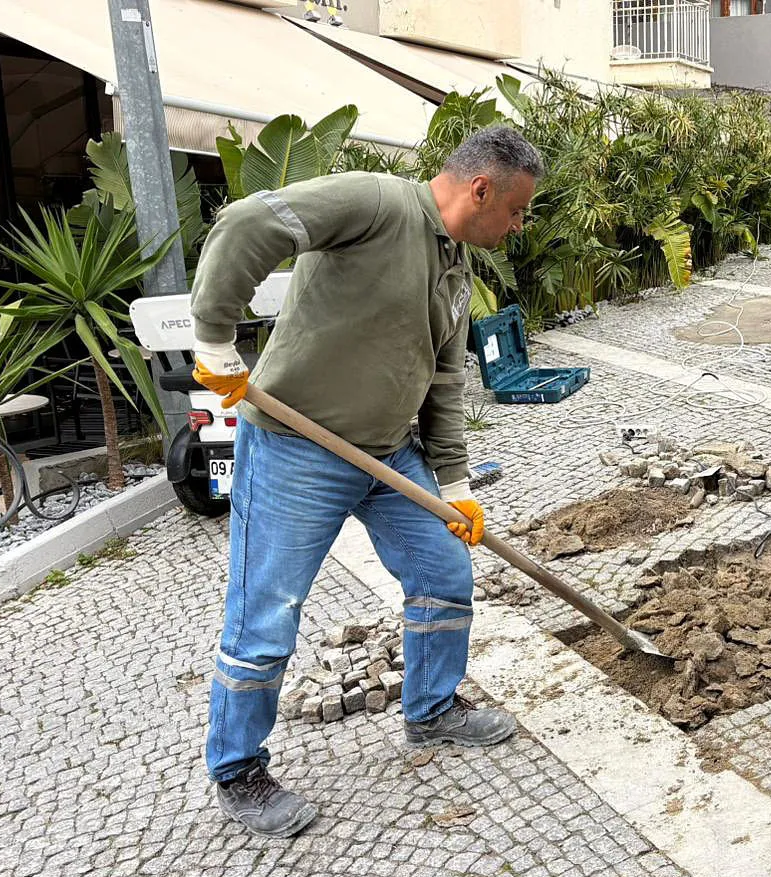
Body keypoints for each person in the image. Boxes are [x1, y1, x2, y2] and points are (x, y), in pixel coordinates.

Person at [187, 125, 543, 838]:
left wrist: (457, 483)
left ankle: (432, 710)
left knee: (444, 571)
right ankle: (237, 770)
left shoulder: (454, 269)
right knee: (267, 616)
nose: (519, 224)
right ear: (481, 190)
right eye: (518, 210)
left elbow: (443, 381)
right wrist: (215, 337)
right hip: (298, 450)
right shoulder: (374, 202)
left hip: (390, 455)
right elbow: (250, 221)